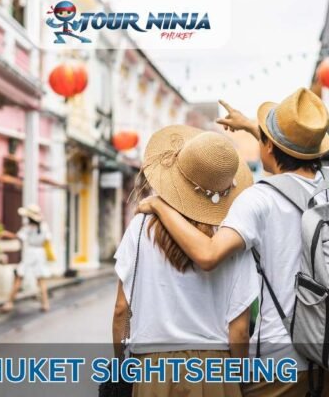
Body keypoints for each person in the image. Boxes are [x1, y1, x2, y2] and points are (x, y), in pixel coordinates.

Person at [137, 88, 329, 396]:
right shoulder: (325, 188)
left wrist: (160, 206)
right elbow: (291, 153)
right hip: (322, 352)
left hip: (277, 363)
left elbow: (209, 255)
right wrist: (253, 128)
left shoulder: (258, 199)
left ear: (268, 146)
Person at [113, 125, 259, 397]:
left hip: (153, 369)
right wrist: (239, 379)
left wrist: (120, 365)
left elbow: (122, 308)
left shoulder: (141, 227)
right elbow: (239, 331)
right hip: (215, 370)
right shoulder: (231, 239)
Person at [1, 204, 51, 313]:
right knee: (41, 280)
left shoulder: (28, 228)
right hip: (40, 252)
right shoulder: (44, 226)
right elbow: (47, 240)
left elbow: (18, 237)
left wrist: (5, 233)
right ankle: (45, 303)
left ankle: (9, 302)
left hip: (30, 252)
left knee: (19, 277)